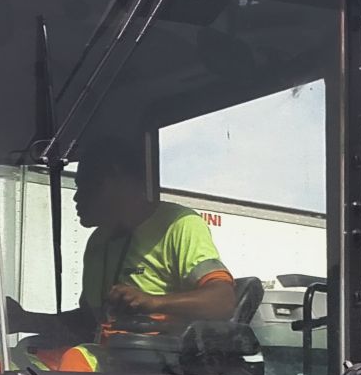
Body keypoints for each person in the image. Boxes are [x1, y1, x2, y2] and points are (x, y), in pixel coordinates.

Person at [67, 138, 235, 341]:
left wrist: (153, 302)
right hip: (105, 358)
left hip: (154, 363)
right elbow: (89, 321)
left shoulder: (179, 224)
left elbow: (223, 301)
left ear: (115, 177)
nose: (76, 198)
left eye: (84, 185)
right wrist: (27, 319)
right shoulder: (98, 241)